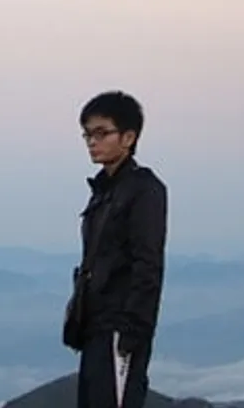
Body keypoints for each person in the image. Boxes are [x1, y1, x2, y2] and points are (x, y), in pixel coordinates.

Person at [66, 90, 168, 408]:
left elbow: (148, 264)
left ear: (128, 137)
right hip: (95, 328)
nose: (92, 142)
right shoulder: (103, 191)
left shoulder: (144, 190)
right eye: (87, 134)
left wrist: (132, 332)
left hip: (120, 329)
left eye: (102, 133)